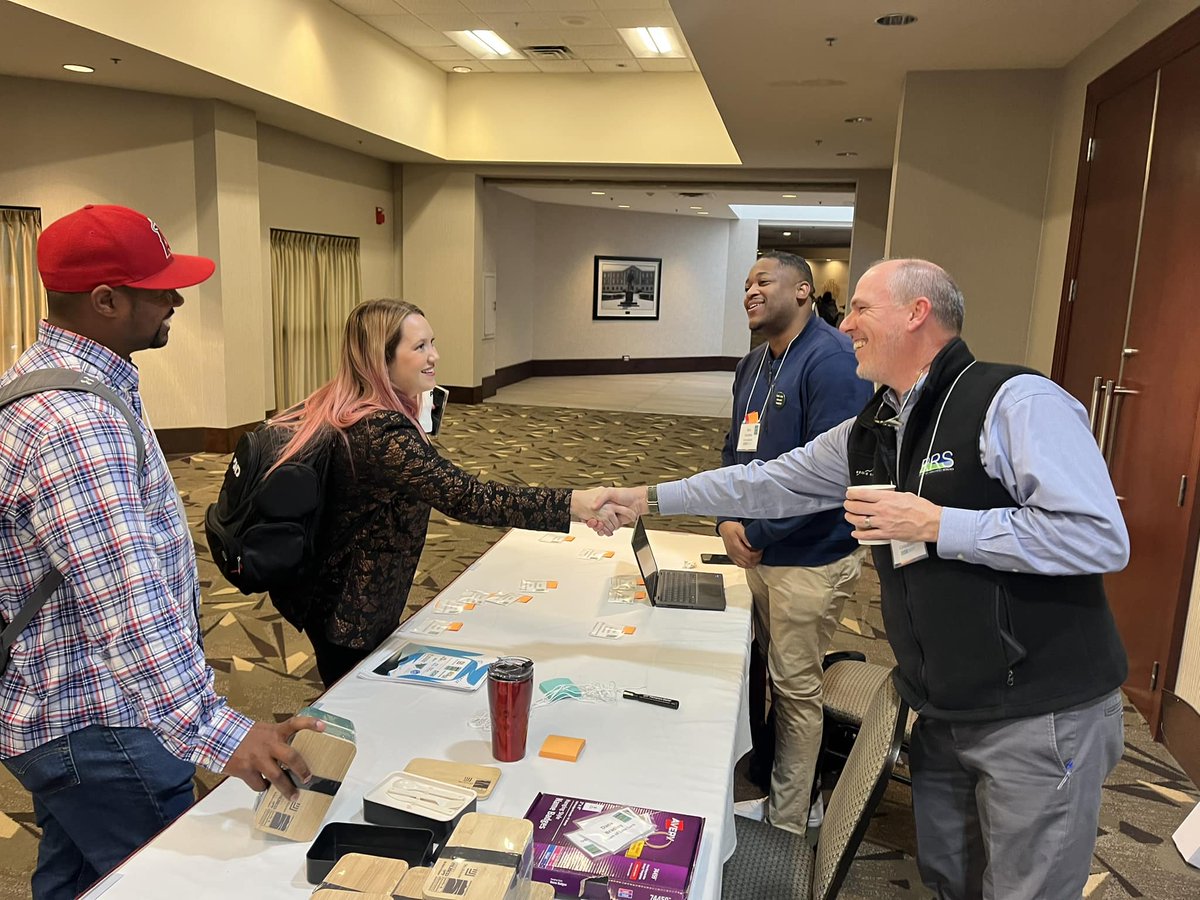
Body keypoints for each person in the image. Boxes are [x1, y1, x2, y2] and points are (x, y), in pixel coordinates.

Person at [598, 258, 1129, 900]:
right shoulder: (875, 427)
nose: (843, 321)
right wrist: (650, 495)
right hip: (941, 702)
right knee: (950, 878)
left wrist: (938, 522)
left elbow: (1098, 535)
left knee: (1029, 889)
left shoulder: (1014, 401)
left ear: (917, 313)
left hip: (1040, 709)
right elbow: (769, 480)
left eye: (860, 309)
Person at [0, 205, 323, 900]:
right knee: (170, 882)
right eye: (160, 288)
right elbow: (126, 602)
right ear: (107, 300)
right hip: (99, 723)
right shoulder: (73, 422)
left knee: (81, 878)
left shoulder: (72, 380)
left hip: (65, 709)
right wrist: (218, 731)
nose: (177, 299)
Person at [268, 298, 626, 688]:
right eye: (419, 347)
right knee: (353, 707)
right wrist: (575, 502)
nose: (434, 356)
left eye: (432, 343)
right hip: (351, 611)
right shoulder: (381, 436)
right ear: (380, 358)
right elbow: (469, 498)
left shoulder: (346, 405)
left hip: (340, 593)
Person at [722, 251, 872, 833]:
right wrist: (726, 520)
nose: (750, 292)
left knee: (794, 690)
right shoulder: (753, 364)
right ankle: (769, 778)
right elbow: (735, 449)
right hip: (757, 547)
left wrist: (755, 531)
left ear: (804, 291)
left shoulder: (833, 362)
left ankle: (789, 819)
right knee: (762, 668)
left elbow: (832, 478)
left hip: (808, 556)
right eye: (746, 284)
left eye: (763, 281)